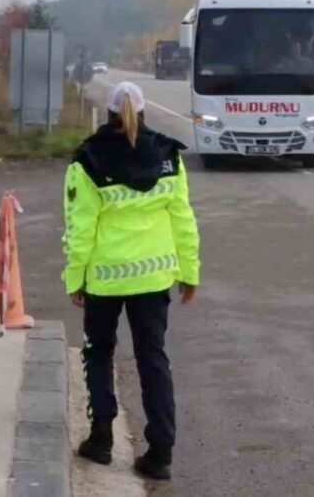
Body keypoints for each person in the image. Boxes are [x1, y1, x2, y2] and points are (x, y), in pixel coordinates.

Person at [62, 81, 201, 481]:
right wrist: (189, 273)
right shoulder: (168, 158)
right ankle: (160, 454)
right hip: (154, 280)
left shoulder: (87, 160)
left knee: (99, 352)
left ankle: (101, 439)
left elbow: (80, 227)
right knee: (152, 358)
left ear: (107, 114)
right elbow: (183, 221)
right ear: (142, 113)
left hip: (104, 280)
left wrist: (76, 278)